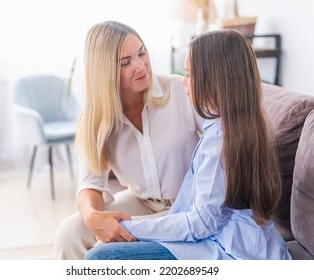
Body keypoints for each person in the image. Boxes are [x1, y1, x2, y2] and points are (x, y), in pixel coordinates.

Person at [84, 29, 292, 260]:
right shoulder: (226, 126)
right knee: (87, 241)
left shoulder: (219, 140)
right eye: (126, 62)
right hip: (214, 234)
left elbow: (200, 223)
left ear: (215, 80)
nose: (184, 82)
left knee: (100, 257)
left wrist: (131, 228)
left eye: (189, 74)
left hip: (224, 246)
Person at [54, 21, 203, 259]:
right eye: (125, 62)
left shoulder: (178, 90)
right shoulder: (96, 116)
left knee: (106, 252)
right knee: (69, 234)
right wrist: (92, 217)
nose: (140, 66)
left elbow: (221, 139)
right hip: (142, 202)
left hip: (188, 204)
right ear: (105, 72)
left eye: (142, 52)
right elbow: (89, 184)